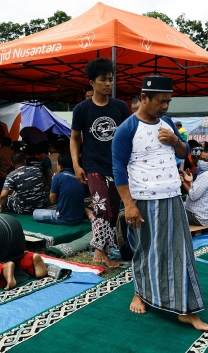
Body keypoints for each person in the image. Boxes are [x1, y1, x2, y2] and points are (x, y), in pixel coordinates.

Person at [113, 75, 208, 331]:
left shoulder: (167, 123)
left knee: (182, 252)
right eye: (160, 101)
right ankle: (140, 293)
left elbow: (184, 153)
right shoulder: (127, 129)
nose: (165, 106)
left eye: (168, 101)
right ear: (144, 98)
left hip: (173, 198)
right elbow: (118, 170)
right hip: (142, 201)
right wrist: (129, 205)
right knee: (145, 249)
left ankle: (185, 310)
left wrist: (176, 141)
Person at [70, 57, 131, 268]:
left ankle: (105, 249)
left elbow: (127, 136)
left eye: (111, 80)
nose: (108, 84)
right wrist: (77, 165)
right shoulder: (82, 109)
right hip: (93, 167)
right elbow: (74, 138)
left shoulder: (121, 107)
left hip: (116, 167)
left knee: (113, 210)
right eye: (103, 80)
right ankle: (99, 249)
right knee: (101, 206)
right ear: (91, 83)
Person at [33, 153, 90, 225]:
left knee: (35, 213)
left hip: (64, 218)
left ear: (60, 166)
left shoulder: (57, 177)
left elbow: (52, 200)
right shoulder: (79, 177)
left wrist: (53, 180)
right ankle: (86, 212)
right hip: (79, 216)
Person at [182, 145, 208, 226]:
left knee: (173, 209)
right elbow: (198, 190)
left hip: (198, 217)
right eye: (200, 158)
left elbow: (193, 195)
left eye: (205, 160)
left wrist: (182, 182)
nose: (201, 161)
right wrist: (191, 181)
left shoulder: (206, 175)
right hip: (205, 215)